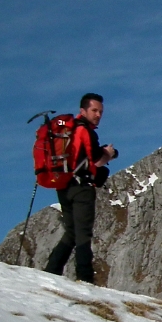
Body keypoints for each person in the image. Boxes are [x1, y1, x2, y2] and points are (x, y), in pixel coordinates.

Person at [44, 93, 118, 284]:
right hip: (82, 186)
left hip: (63, 185)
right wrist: (109, 154)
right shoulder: (86, 131)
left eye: (100, 111)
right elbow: (97, 160)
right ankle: (85, 278)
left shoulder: (68, 130)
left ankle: (50, 271)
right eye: (94, 110)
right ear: (83, 110)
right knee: (83, 233)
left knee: (71, 231)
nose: (98, 115)